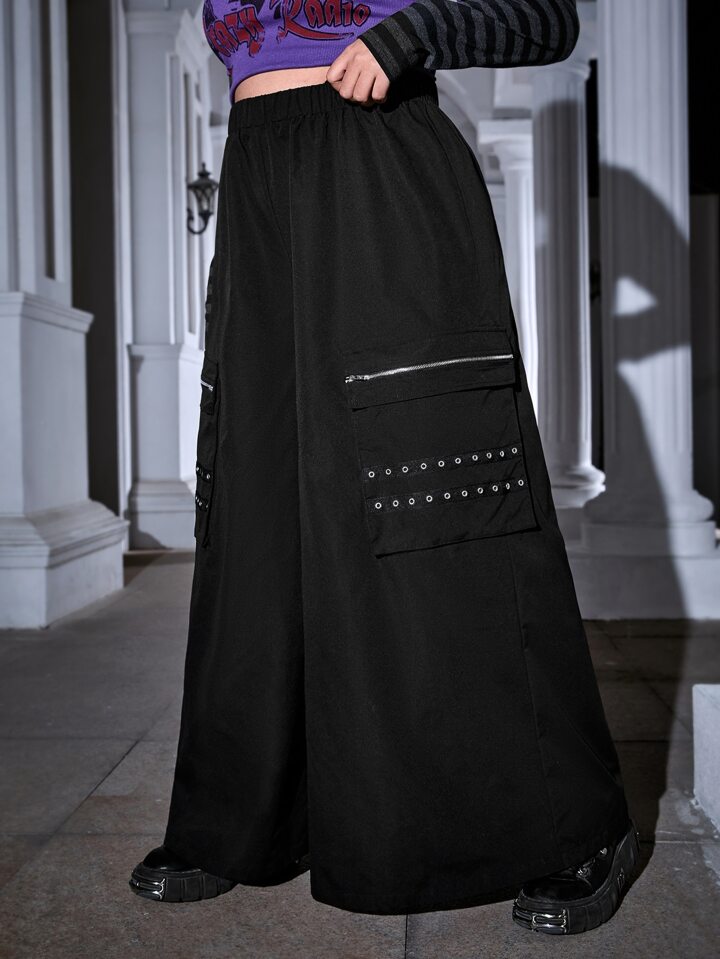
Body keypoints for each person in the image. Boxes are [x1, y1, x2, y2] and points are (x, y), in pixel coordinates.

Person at [129, 0, 640, 936]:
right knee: (257, 510)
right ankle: (243, 819)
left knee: (443, 501)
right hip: (260, 189)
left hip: (381, 173)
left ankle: (576, 825)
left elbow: (548, 19)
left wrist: (413, 35)